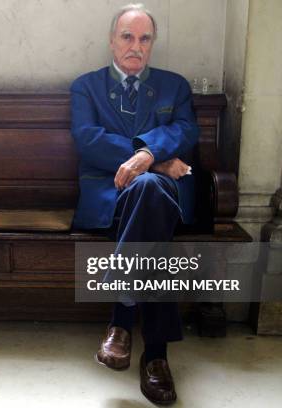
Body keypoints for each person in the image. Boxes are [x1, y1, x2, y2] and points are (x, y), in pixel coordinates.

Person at [70, 3, 199, 405]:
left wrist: (148, 161)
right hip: (109, 191)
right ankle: (156, 356)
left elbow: (186, 130)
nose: (135, 46)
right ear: (112, 40)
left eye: (144, 38)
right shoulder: (86, 87)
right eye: (127, 36)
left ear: (153, 44)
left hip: (160, 192)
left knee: (149, 192)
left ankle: (121, 321)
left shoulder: (174, 85)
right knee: (149, 195)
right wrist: (151, 156)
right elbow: (88, 140)